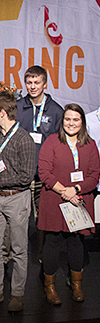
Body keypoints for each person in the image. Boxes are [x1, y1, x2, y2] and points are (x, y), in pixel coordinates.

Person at [0, 92, 36, 313]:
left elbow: (26, 176)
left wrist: (0, 178)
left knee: (19, 249)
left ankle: (18, 294)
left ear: (3, 113)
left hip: (16, 198)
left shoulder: (24, 139)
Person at [38, 104, 99, 305]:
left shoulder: (90, 145)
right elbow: (44, 172)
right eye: (67, 119)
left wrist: (77, 190)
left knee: (76, 242)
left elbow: (94, 175)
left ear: (82, 122)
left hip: (79, 201)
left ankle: (77, 284)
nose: (71, 123)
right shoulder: (51, 141)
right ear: (62, 121)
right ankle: (50, 286)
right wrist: (65, 191)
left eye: (75, 119)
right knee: (53, 242)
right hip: (54, 200)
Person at [15, 65, 63, 264]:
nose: (33, 86)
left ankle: (43, 255)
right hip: (22, 172)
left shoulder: (56, 110)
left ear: (45, 84)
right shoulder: (18, 107)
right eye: (29, 82)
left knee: (42, 218)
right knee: (18, 218)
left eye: (36, 82)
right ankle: (18, 256)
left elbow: (60, 145)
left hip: (45, 175)